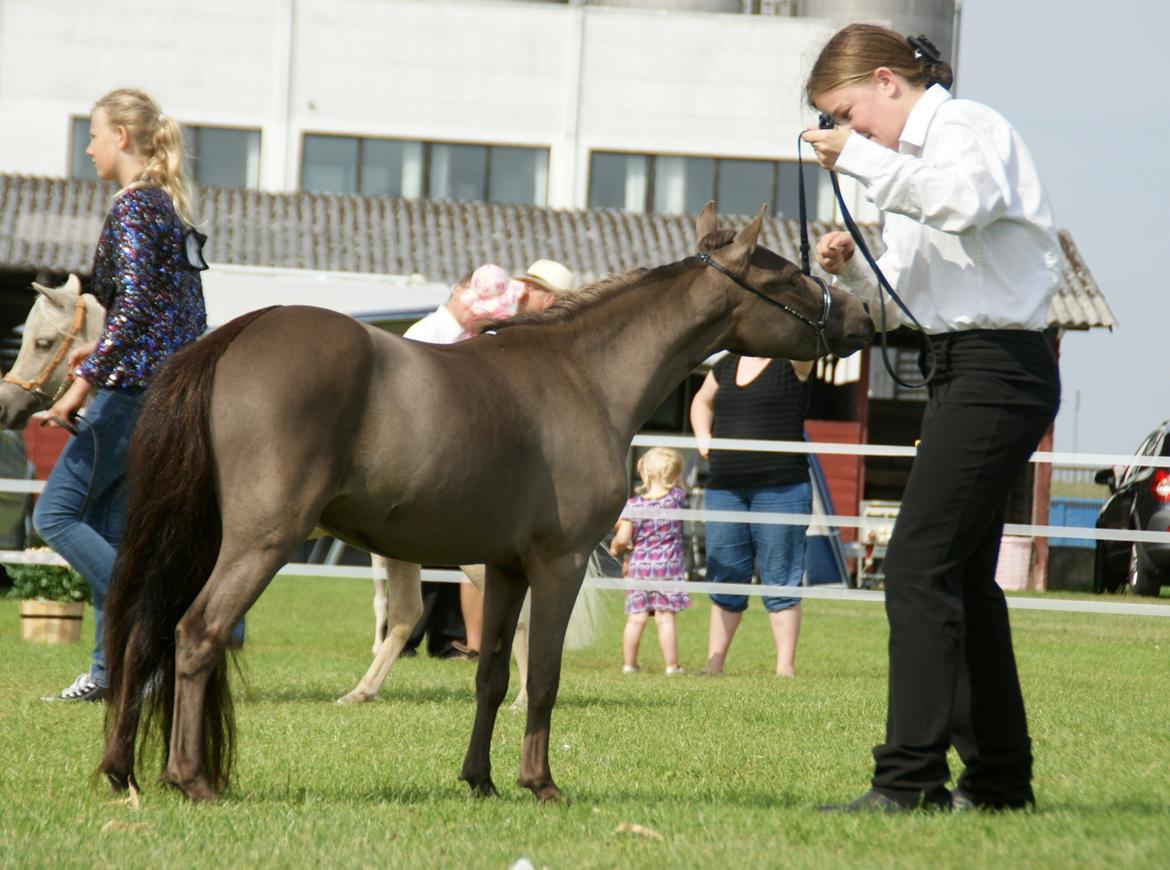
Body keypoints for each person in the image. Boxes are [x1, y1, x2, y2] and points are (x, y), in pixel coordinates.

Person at [801, 24, 1061, 812]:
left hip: (998, 369)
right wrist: (855, 270)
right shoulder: (910, 165)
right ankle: (999, 782)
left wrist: (859, 159)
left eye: (848, 113)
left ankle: (909, 780)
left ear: (887, 81)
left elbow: (964, 202)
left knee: (917, 565)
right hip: (962, 368)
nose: (848, 131)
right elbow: (903, 305)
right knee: (961, 579)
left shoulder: (966, 128)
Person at [37, 88, 208, 702]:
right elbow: (180, 316)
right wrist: (96, 350)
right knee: (111, 533)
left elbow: (133, 308)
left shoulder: (135, 207)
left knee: (54, 515)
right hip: (161, 392)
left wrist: (82, 385)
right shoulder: (166, 207)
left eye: (93, 135)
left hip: (130, 394)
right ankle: (113, 676)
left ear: (122, 137)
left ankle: (159, 630)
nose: (88, 148)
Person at [399, 263, 519, 659]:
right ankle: (407, 637)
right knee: (414, 555)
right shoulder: (424, 335)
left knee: (454, 555)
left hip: (462, 466)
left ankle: (444, 638)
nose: (481, 313)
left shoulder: (480, 340)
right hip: (424, 462)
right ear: (458, 291)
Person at [690, 355, 814, 678]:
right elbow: (701, 402)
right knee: (725, 573)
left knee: (781, 576)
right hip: (725, 488)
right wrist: (703, 440)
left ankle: (784, 668)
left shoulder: (793, 362)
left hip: (782, 488)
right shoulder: (725, 365)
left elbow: (810, 344)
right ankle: (714, 666)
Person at [609, 447, 690, 676]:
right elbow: (681, 485)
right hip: (667, 568)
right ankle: (672, 666)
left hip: (639, 569)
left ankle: (629, 664)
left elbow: (623, 538)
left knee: (636, 618)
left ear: (643, 473)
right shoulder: (675, 499)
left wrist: (616, 547)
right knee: (665, 618)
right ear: (674, 475)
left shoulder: (634, 505)